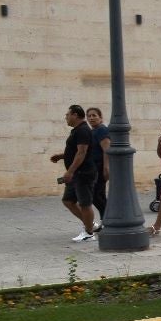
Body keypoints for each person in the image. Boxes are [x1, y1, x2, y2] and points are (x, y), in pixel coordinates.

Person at [49, 104, 98, 243]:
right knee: (68, 200)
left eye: (67, 114)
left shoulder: (83, 130)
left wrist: (70, 171)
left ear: (75, 115)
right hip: (77, 174)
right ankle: (90, 224)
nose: (66, 117)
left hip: (83, 173)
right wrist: (62, 156)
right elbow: (75, 151)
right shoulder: (77, 130)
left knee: (85, 203)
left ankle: (89, 233)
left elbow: (82, 152)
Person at [86, 106, 110, 230]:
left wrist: (106, 167)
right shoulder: (93, 131)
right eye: (89, 116)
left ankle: (107, 219)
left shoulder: (101, 130)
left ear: (100, 117)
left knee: (96, 195)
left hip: (100, 167)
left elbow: (106, 150)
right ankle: (106, 220)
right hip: (94, 167)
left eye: (94, 115)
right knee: (99, 195)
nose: (91, 118)